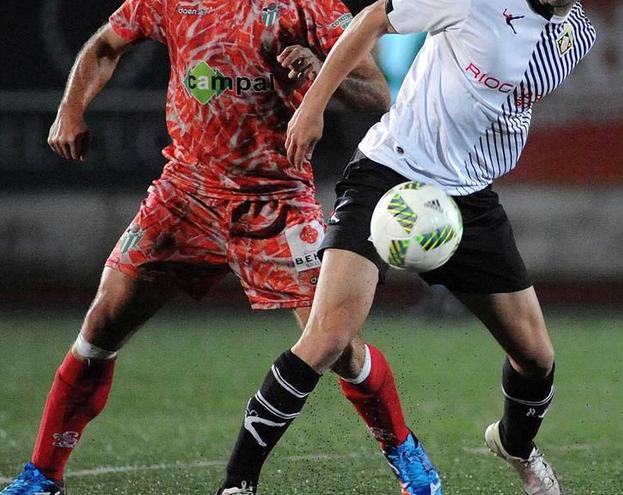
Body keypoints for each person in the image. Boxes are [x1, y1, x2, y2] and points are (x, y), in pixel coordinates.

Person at [0, 1, 443, 494]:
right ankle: (42, 476)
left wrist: (322, 76)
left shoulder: (307, 7)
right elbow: (105, 44)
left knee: (336, 345)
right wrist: (71, 107)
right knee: (102, 325)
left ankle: (405, 451)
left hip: (277, 201)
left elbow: (377, 92)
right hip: (186, 192)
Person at [221, 0, 597, 494]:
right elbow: (375, 16)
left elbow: (501, 98)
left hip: (469, 199)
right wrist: (314, 103)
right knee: (329, 336)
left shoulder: (577, 32)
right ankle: (238, 482)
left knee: (536, 358)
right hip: (389, 174)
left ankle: (516, 446)